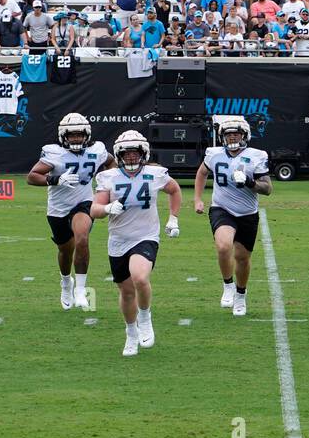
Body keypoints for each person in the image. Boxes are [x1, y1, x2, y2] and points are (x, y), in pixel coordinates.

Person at [90, 131, 182, 357]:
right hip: (118, 240)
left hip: (146, 235)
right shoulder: (108, 177)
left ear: (143, 153)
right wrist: (107, 209)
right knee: (127, 292)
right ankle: (131, 334)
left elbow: (174, 189)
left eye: (135, 153)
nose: (131, 158)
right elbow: (94, 209)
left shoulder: (156, 173)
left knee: (140, 276)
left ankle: (145, 317)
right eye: (126, 154)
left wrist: (173, 218)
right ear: (119, 155)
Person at [26, 113, 114, 312]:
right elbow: (32, 177)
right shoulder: (54, 153)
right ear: (63, 136)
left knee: (82, 238)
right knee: (65, 251)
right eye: (71, 135)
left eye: (79, 134)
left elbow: (110, 163)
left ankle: (81, 290)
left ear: (86, 135)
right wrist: (55, 180)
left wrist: (108, 182)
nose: (76, 138)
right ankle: (66, 283)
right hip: (58, 208)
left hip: (84, 203)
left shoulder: (96, 150)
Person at [192, 116, 272, 317]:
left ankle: (241, 294)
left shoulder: (256, 156)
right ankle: (227, 284)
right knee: (223, 245)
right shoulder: (214, 154)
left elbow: (268, 188)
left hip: (247, 213)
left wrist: (249, 182)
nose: (232, 137)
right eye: (228, 134)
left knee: (242, 258)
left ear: (245, 135)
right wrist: (198, 199)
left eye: (236, 134)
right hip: (222, 208)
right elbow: (202, 173)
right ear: (222, 137)